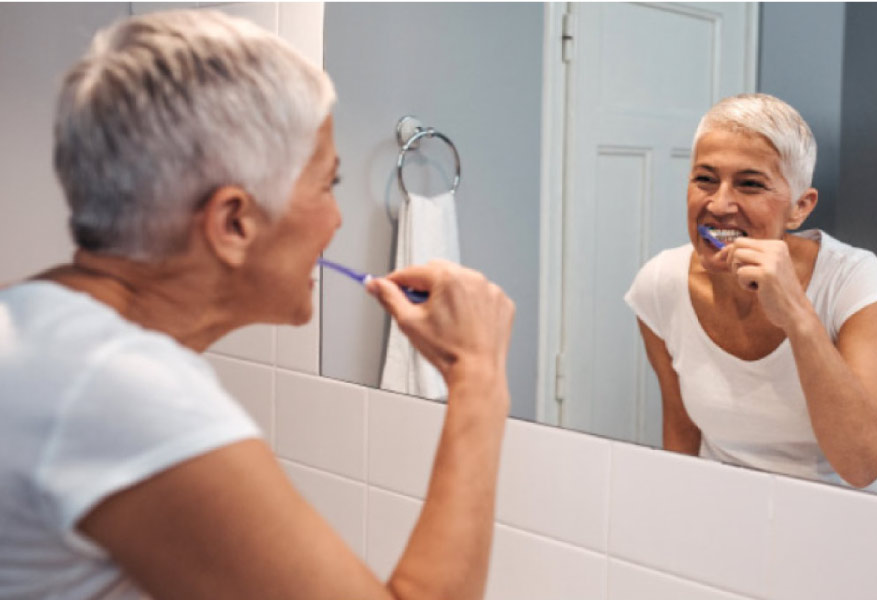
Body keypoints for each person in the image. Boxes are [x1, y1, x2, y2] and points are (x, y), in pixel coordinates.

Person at [0, 10, 515, 599]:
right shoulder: (119, 391)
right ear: (234, 222)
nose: (337, 220)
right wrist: (478, 374)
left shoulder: (33, 323)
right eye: (327, 185)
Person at [625, 93, 877, 497]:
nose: (719, 205)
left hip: (848, 514)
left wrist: (797, 315)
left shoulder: (853, 279)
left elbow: (862, 466)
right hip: (732, 510)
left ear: (800, 207)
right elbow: (682, 433)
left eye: (750, 184)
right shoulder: (660, 283)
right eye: (705, 179)